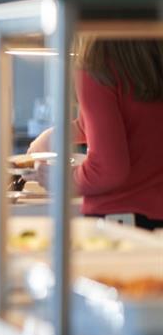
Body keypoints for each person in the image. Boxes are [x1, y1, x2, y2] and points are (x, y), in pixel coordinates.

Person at [27, 38, 163, 229]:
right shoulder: (151, 60)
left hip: (123, 221)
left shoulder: (98, 66)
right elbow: (138, 120)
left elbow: (107, 171)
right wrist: (53, 137)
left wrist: (60, 179)